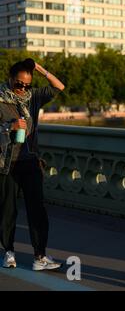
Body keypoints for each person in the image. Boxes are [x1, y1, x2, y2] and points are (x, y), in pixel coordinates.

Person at [0, 58, 65, 270]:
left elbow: (59, 86)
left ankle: (40, 256)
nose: (22, 89)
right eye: (19, 84)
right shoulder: (1, 99)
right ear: (10, 80)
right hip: (7, 163)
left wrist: (38, 68)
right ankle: (8, 252)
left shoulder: (33, 98)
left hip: (30, 162)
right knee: (8, 211)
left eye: (27, 85)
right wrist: (9, 126)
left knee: (37, 211)